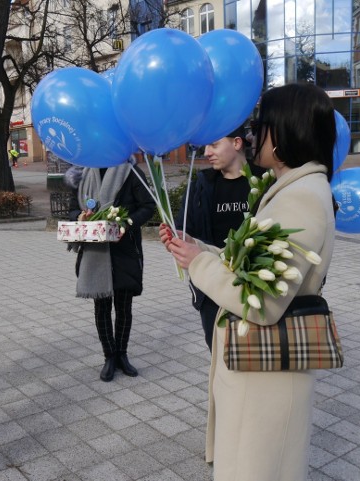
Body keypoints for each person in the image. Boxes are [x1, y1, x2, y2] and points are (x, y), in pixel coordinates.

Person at [162, 83, 336, 480]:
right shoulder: (293, 187)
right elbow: (250, 265)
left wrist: (198, 266)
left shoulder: (301, 197)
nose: (257, 133)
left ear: (288, 130)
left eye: (265, 123)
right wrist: (199, 249)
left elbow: (263, 301)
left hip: (267, 377)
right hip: (261, 373)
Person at [167, 125, 264, 352]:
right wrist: (178, 238)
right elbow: (185, 229)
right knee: (219, 354)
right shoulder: (202, 185)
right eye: (205, 146)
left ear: (237, 143)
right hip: (211, 288)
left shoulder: (264, 181)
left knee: (257, 356)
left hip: (256, 287)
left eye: (214, 144)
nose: (207, 152)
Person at [66, 160, 155, 382]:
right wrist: (80, 216)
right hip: (95, 253)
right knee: (102, 306)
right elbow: (72, 209)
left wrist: (126, 223)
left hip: (124, 250)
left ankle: (122, 355)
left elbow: (148, 206)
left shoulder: (130, 171)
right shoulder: (83, 173)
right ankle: (109, 356)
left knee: (124, 307)